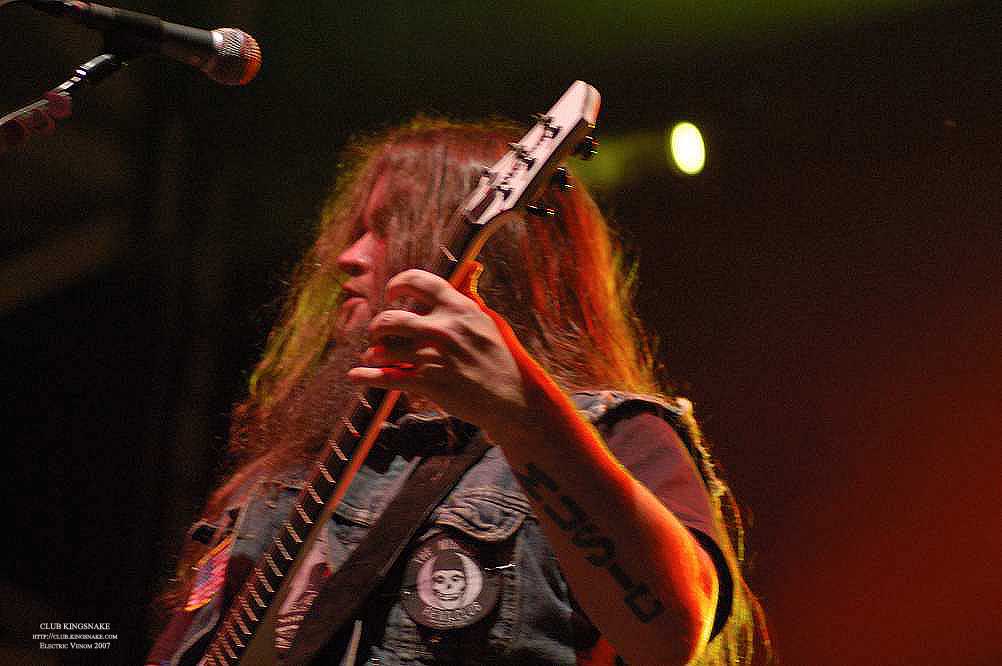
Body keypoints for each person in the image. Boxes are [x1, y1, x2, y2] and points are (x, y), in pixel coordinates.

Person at [148, 117, 767, 666]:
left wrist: (522, 408)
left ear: (489, 258)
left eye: (385, 229)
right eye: (355, 229)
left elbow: (671, 634)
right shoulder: (285, 474)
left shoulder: (612, 435)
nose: (348, 256)